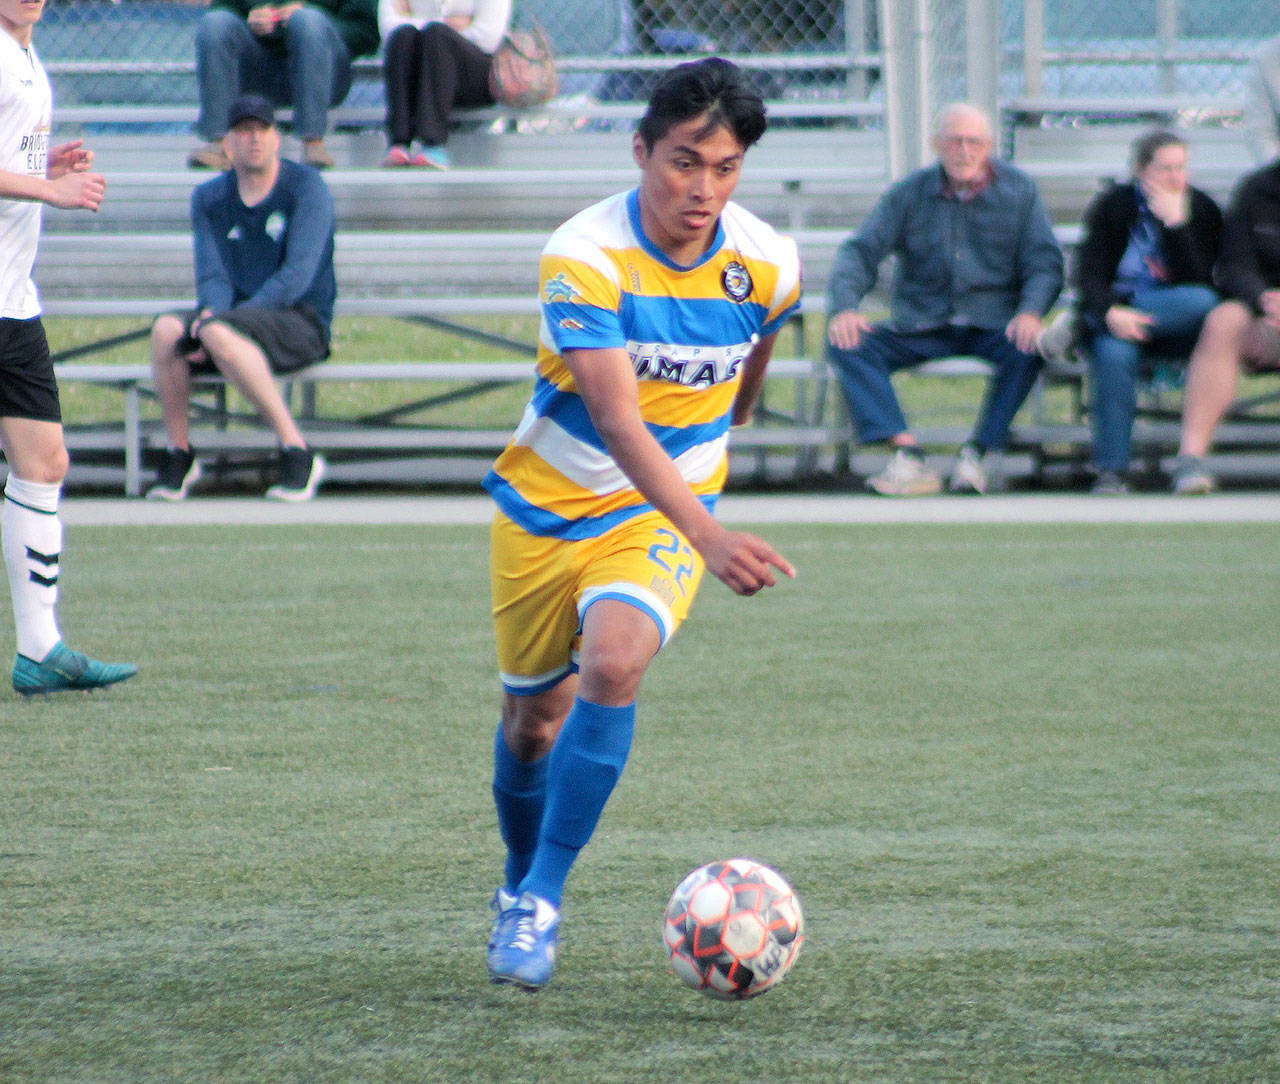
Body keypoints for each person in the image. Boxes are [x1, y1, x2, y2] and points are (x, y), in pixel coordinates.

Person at [482, 57, 800, 991]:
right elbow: (618, 422)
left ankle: (542, 899)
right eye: (683, 162)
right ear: (640, 151)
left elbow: (758, 349)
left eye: (725, 168)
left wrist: (721, 447)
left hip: (659, 509)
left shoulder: (768, 262)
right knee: (532, 724)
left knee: (615, 664)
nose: (703, 189)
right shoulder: (583, 255)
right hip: (546, 509)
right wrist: (712, 537)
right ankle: (517, 879)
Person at [0, 0, 138, 696]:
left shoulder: (26, 54)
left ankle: (40, 649)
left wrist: (40, 166)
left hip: (12, 299)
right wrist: (51, 189)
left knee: (44, 462)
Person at [825, 102, 1064, 496]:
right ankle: (907, 453)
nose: (964, 151)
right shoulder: (909, 193)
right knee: (847, 341)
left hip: (993, 322)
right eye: (955, 141)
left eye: (974, 142)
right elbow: (860, 252)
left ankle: (978, 454)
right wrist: (846, 308)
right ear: (936, 144)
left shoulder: (1019, 191)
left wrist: (1031, 312)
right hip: (922, 321)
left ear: (990, 146)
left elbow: (1044, 262)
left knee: (1028, 347)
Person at [148, 94, 332, 502]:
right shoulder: (209, 198)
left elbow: (296, 277)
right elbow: (212, 273)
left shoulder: (307, 188)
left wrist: (220, 323)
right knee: (166, 330)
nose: (254, 139)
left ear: (277, 138)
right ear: (228, 143)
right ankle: (180, 452)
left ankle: (297, 450)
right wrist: (213, 314)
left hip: (299, 319)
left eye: (262, 130)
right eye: (244, 131)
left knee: (217, 333)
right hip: (230, 323)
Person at [1068, 130, 1222, 494]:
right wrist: (1111, 313)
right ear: (1141, 170)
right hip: (1117, 322)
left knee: (1203, 301)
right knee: (1113, 352)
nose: (1175, 177)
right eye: (1165, 169)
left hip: (1178, 322)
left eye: (1181, 167)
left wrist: (1176, 225)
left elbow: (1206, 281)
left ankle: (1085, 324)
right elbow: (1089, 274)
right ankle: (1112, 471)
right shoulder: (1113, 205)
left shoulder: (1202, 208)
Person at [1171, 152, 1280, 495]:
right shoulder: (1257, 191)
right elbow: (1234, 266)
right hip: (1268, 316)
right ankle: (1191, 461)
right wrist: (1263, 299)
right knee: (1224, 320)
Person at [188, 0, 380, 171]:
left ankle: (313, 144)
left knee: (306, 20)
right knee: (215, 22)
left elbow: (366, 33)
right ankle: (220, 143)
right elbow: (222, 7)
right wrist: (251, 20)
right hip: (258, 69)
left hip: (324, 74)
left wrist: (314, 20)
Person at [378, 0, 510, 170]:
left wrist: (418, 21)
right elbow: (389, 29)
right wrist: (452, 23)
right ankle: (399, 143)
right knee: (403, 35)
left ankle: (433, 143)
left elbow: (487, 38)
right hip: (424, 68)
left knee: (437, 36)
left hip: (474, 76)